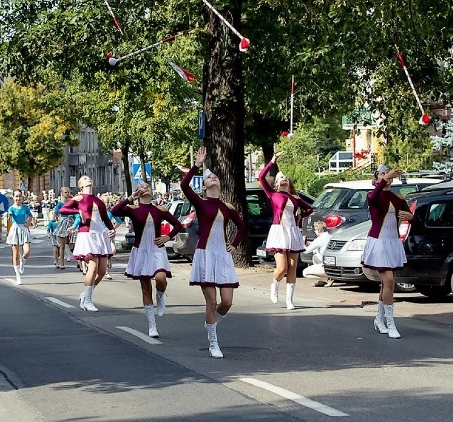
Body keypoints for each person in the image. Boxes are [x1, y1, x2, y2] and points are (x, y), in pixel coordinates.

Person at [180, 145, 246, 358]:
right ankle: (213, 342)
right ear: (205, 186)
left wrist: (234, 244)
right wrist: (197, 166)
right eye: (210, 178)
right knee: (211, 302)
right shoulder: (200, 203)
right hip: (206, 255)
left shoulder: (227, 207)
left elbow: (242, 226)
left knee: (227, 302)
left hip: (223, 256)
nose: (214, 178)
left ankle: (211, 325)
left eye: (216, 177)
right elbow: (184, 185)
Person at [110, 181, 183, 338]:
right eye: (141, 188)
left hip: (157, 249)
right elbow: (115, 211)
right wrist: (130, 198)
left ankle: (160, 296)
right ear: (138, 192)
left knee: (161, 278)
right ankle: (152, 325)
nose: (144, 189)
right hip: (141, 251)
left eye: (147, 187)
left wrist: (167, 237)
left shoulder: (159, 209)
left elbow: (178, 225)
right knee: (145, 286)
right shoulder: (133, 209)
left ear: (151, 190)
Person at [361, 164, 414, 339]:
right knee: (389, 281)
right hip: (379, 243)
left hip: (393, 242)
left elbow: (410, 216)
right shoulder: (373, 195)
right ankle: (391, 323)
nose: (386, 176)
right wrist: (384, 180)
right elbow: (373, 197)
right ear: (376, 179)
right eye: (382, 174)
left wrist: (412, 217)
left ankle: (379, 319)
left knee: (387, 284)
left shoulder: (397, 197)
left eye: (388, 174)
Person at [259, 152, 314, 309]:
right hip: (279, 232)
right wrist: (272, 161)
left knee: (292, 266)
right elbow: (261, 178)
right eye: (280, 177)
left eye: (285, 177)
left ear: (288, 182)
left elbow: (310, 208)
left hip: (292, 231)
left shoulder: (295, 198)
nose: (283, 178)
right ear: (276, 183)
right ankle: (274, 284)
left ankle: (290, 299)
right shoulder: (273, 194)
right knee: (282, 268)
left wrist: (300, 216)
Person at [58, 175, 116, 311]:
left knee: (102, 271)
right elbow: (63, 210)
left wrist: (112, 229)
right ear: (80, 185)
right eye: (85, 178)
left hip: (100, 235)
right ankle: (87, 301)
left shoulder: (99, 200)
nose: (88, 179)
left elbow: (105, 218)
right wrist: (77, 211)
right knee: (93, 266)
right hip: (87, 235)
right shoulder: (78, 198)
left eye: (90, 178)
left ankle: (85, 294)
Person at [6, 190, 37, 285]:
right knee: (15, 254)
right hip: (15, 229)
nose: (18, 198)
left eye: (19, 196)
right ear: (13, 197)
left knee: (26, 251)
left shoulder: (25, 207)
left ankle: (22, 262)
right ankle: (18, 276)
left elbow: (30, 216)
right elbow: (10, 215)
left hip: (23, 229)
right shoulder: (11, 208)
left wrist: (28, 222)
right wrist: (8, 216)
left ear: (22, 197)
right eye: (16, 196)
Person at [302, 220, 332, 286]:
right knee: (315, 257)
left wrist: (302, 244)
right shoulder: (330, 236)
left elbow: (306, 251)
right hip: (331, 263)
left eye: (315, 230)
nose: (314, 232)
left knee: (305, 273)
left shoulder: (319, 239)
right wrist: (311, 244)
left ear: (318, 230)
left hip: (325, 265)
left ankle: (327, 279)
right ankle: (322, 280)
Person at [51, 187, 73, 269]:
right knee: (62, 245)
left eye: (68, 192)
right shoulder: (60, 204)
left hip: (71, 222)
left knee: (72, 243)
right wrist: (53, 220)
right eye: (65, 192)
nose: (67, 194)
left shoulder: (71, 202)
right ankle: (62, 263)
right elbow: (55, 213)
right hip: (63, 223)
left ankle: (80, 262)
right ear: (62, 193)